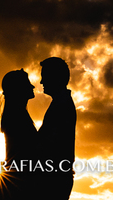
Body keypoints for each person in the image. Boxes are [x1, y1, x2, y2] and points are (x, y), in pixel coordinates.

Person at [38, 56, 76, 200]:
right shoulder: (60, 103)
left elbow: (48, 143)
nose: (42, 82)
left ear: (56, 78)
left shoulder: (62, 106)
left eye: (45, 77)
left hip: (54, 180)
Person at [0, 69, 39, 200]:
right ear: (18, 89)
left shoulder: (16, 115)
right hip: (19, 185)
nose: (32, 86)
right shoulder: (17, 117)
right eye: (27, 83)